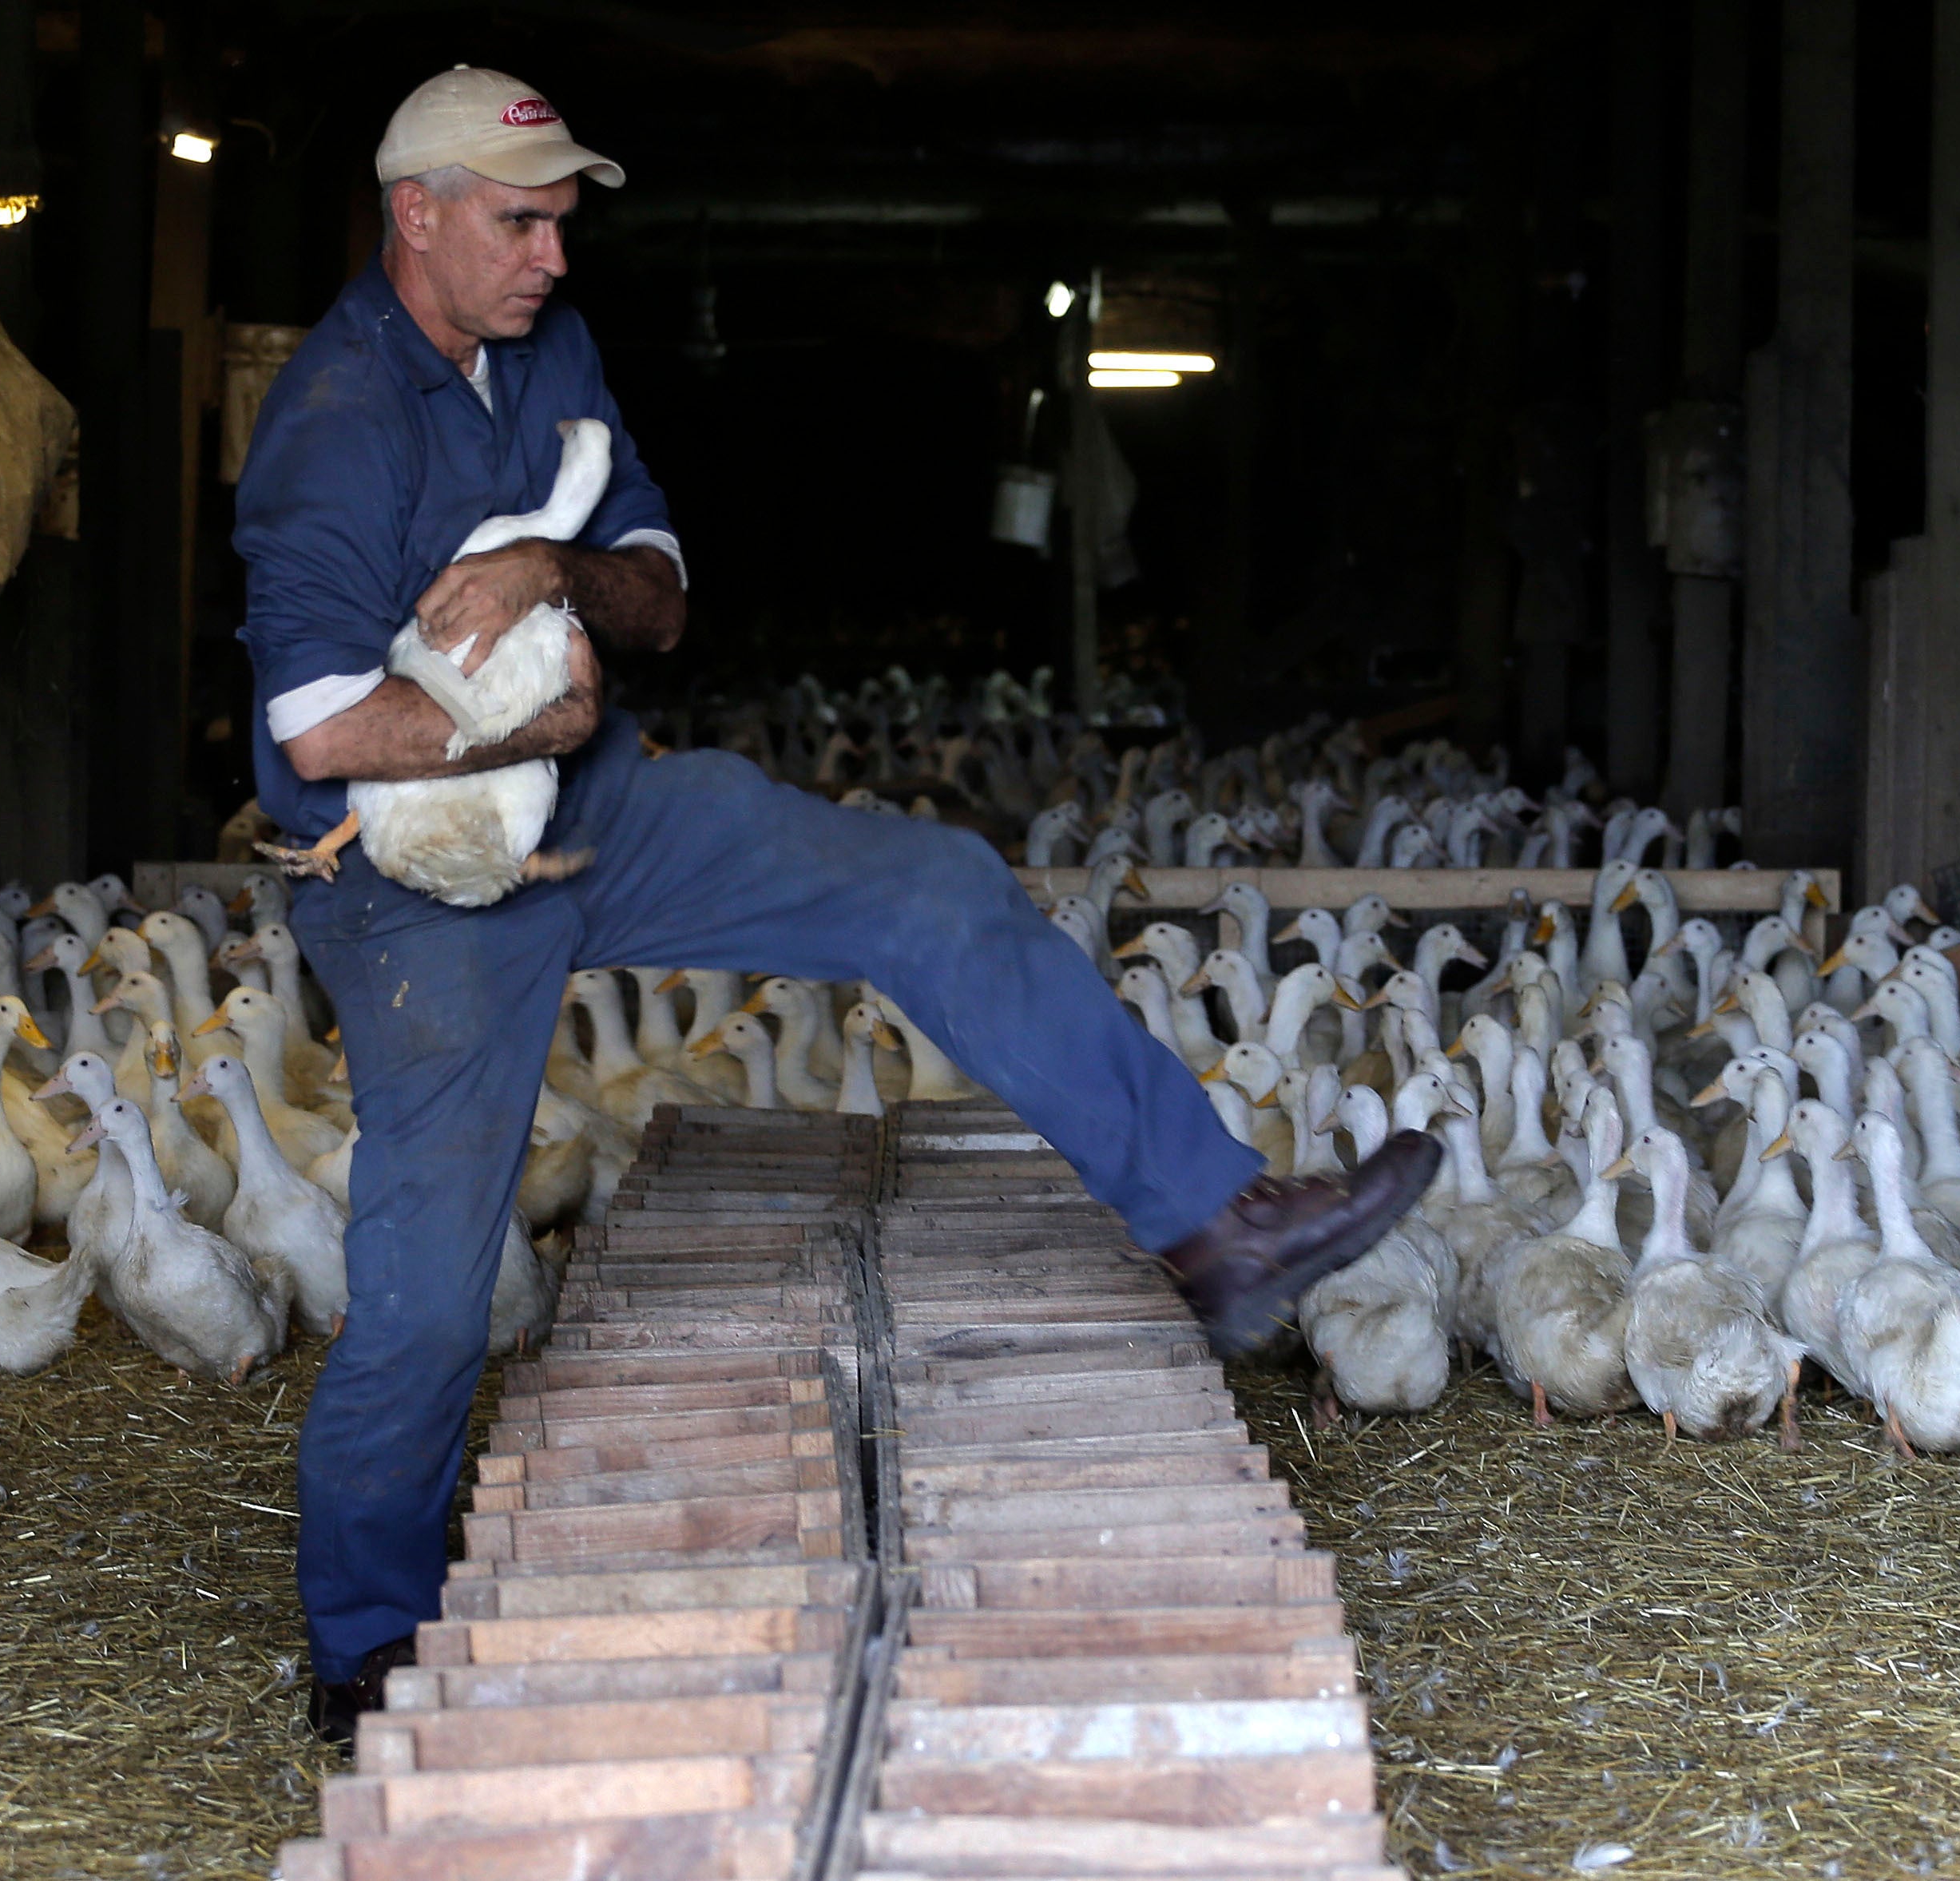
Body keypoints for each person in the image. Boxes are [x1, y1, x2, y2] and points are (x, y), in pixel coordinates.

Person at [231, 67, 1439, 1745]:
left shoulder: (542, 353)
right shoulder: (331, 425)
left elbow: (654, 595)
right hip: (422, 875)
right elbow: (317, 735)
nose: (551, 257)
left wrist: (546, 577)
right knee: (434, 1290)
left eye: (562, 222)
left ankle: (1215, 1224)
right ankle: (364, 1637)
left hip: (603, 802)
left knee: (928, 882)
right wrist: (533, 715)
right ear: (411, 215)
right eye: (517, 223)